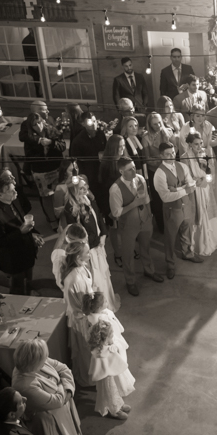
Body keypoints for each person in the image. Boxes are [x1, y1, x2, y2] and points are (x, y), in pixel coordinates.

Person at [61, 175, 119, 312]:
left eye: (86, 186)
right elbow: (77, 233)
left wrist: (104, 234)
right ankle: (98, 306)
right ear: (73, 190)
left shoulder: (89, 199)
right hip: (89, 248)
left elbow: (99, 217)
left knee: (103, 274)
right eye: (81, 188)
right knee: (95, 277)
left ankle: (107, 302)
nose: (85, 189)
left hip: (99, 243)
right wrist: (96, 241)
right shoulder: (70, 209)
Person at [109, 157, 159, 295]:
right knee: (128, 255)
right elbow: (116, 212)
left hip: (145, 221)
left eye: (133, 167)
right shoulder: (115, 189)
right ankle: (130, 281)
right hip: (128, 227)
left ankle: (149, 271)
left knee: (146, 248)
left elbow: (146, 198)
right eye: (129, 169)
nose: (134, 171)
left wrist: (149, 216)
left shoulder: (140, 179)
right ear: (121, 171)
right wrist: (133, 204)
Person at [153, 142, 201, 279]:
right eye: (168, 154)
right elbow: (166, 197)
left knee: (187, 230)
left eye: (173, 153)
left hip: (186, 205)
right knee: (170, 237)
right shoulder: (159, 174)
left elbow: (191, 183)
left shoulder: (182, 166)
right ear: (161, 155)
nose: (171, 156)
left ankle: (187, 253)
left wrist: (178, 189)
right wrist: (185, 189)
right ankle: (170, 264)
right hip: (171, 209)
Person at [0, 179, 44, 295]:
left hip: (27, 254)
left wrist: (33, 235)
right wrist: (20, 232)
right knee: (18, 291)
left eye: (14, 188)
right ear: (0, 195)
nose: (15, 191)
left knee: (28, 284)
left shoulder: (13, 202)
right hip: (15, 261)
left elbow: (20, 222)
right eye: (10, 190)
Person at [84, 292, 134, 421]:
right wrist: (113, 345)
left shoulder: (93, 317)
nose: (107, 302)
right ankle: (113, 409)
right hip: (104, 362)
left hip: (108, 357)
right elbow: (105, 339)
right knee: (108, 387)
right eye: (105, 301)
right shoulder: (100, 324)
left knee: (113, 384)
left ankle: (118, 403)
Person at [181, 132, 217, 255]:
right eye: (196, 144)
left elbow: (210, 171)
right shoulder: (184, 157)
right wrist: (199, 181)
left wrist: (206, 180)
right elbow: (185, 177)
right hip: (194, 190)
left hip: (206, 188)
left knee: (208, 213)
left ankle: (211, 239)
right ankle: (199, 244)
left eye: (200, 143)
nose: (199, 147)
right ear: (189, 144)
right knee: (197, 216)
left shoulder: (204, 154)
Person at [60, 241, 95, 386]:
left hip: (86, 313)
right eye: (87, 252)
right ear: (78, 257)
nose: (89, 254)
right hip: (82, 320)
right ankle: (89, 379)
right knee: (86, 351)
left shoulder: (82, 268)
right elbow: (82, 306)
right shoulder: (74, 279)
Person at [20, 111, 65, 223]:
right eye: (35, 124)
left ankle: (61, 215)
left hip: (55, 167)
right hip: (41, 170)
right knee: (46, 197)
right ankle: (52, 219)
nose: (39, 126)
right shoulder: (30, 138)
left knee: (59, 193)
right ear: (31, 127)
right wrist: (40, 146)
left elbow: (63, 146)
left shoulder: (52, 131)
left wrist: (51, 143)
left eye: (39, 122)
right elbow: (29, 155)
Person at [142, 111, 174, 233]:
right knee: (158, 200)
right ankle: (161, 226)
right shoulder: (145, 138)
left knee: (171, 196)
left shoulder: (168, 132)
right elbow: (147, 159)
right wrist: (162, 160)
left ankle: (172, 223)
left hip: (169, 170)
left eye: (159, 123)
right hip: (154, 172)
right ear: (150, 125)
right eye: (155, 124)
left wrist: (164, 159)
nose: (158, 126)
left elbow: (173, 153)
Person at [96, 134, 126, 265]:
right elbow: (102, 191)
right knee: (115, 230)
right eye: (119, 147)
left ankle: (127, 250)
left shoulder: (125, 160)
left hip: (127, 202)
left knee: (126, 228)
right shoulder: (106, 165)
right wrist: (107, 210)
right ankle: (118, 253)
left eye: (124, 146)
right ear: (113, 148)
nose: (122, 149)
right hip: (112, 204)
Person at [69, 112, 107, 197]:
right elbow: (76, 161)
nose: (93, 125)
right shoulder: (78, 141)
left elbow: (105, 148)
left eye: (94, 121)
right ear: (83, 124)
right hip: (90, 174)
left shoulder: (100, 134)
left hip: (102, 170)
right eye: (89, 123)